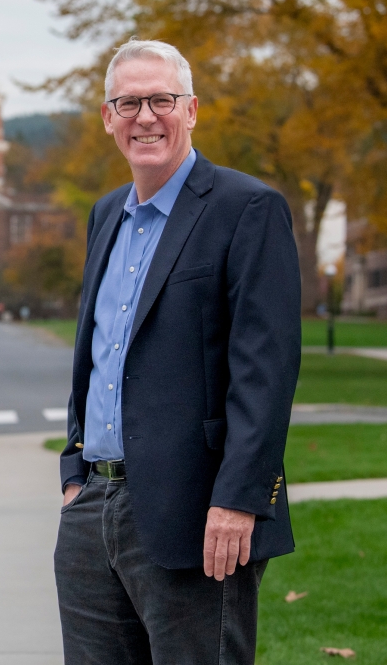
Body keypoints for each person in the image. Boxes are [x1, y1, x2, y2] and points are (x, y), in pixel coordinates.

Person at [55, 39, 300, 664]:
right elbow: (99, 351)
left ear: (191, 110)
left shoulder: (247, 209)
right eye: (128, 103)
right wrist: (72, 471)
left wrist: (240, 499)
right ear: (108, 118)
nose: (145, 117)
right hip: (93, 511)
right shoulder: (106, 215)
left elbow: (265, 373)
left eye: (161, 100)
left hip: (199, 516)